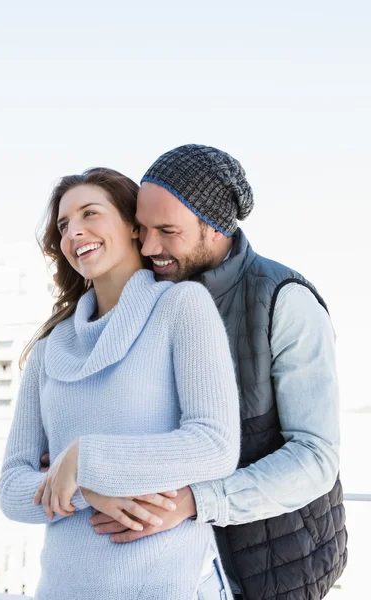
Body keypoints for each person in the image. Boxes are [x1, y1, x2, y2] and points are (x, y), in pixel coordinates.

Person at [87, 145, 347, 600]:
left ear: (216, 227)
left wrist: (196, 501)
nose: (149, 248)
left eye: (167, 231)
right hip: (174, 566)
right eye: (141, 230)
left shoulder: (285, 302)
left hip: (272, 570)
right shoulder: (149, 295)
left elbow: (315, 457)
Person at [0, 167, 241, 600]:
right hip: (62, 590)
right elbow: (12, 491)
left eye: (90, 213)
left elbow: (215, 445)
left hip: (170, 587)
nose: (75, 231)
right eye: (64, 224)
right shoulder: (50, 349)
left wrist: (85, 457)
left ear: (133, 225)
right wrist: (87, 488)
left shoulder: (181, 308)